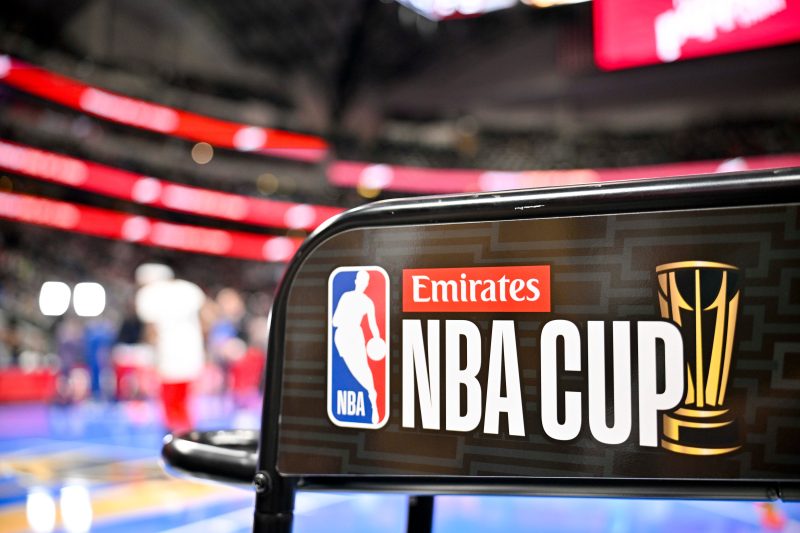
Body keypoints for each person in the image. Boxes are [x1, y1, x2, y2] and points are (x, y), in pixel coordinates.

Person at [135, 263, 205, 432]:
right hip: (192, 353)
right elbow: (206, 317)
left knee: (170, 401)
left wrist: (151, 353)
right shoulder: (189, 289)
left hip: (168, 356)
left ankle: (176, 436)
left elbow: (151, 331)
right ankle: (186, 433)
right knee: (184, 400)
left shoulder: (149, 294)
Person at [331, 270, 381, 424]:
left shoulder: (367, 302)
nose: (362, 283)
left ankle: (372, 397)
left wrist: (377, 339)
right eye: (361, 280)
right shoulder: (346, 297)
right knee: (351, 368)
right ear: (356, 281)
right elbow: (334, 321)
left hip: (355, 336)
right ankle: (371, 394)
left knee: (362, 368)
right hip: (342, 337)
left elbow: (373, 325)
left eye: (365, 281)